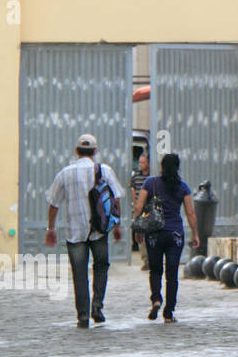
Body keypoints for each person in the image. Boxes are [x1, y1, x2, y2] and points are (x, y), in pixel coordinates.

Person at [44, 133, 124, 329]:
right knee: (101, 266)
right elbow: (115, 199)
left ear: (76, 151)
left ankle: (82, 316)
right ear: (95, 152)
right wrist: (117, 225)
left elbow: (54, 204)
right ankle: (97, 306)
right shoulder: (104, 170)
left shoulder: (65, 173)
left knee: (79, 273)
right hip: (100, 230)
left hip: (75, 232)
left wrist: (51, 229)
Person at [132, 152, 201, 322]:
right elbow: (190, 213)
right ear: (177, 168)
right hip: (174, 234)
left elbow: (138, 207)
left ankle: (156, 300)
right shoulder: (183, 187)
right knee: (172, 275)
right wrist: (195, 234)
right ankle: (169, 312)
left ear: (161, 167)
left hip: (154, 234)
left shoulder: (150, 182)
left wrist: (138, 229)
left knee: (155, 270)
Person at [130, 154, 150, 270]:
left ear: (148, 164)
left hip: (150, 210)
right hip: (139, 209)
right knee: (140, 235)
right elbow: (133, 190)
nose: (140, 165)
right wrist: (135, 204)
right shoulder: (136, 176)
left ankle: (153, 258)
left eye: (143, 162)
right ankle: (146, 260)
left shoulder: (152, 175)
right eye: (140, 162)